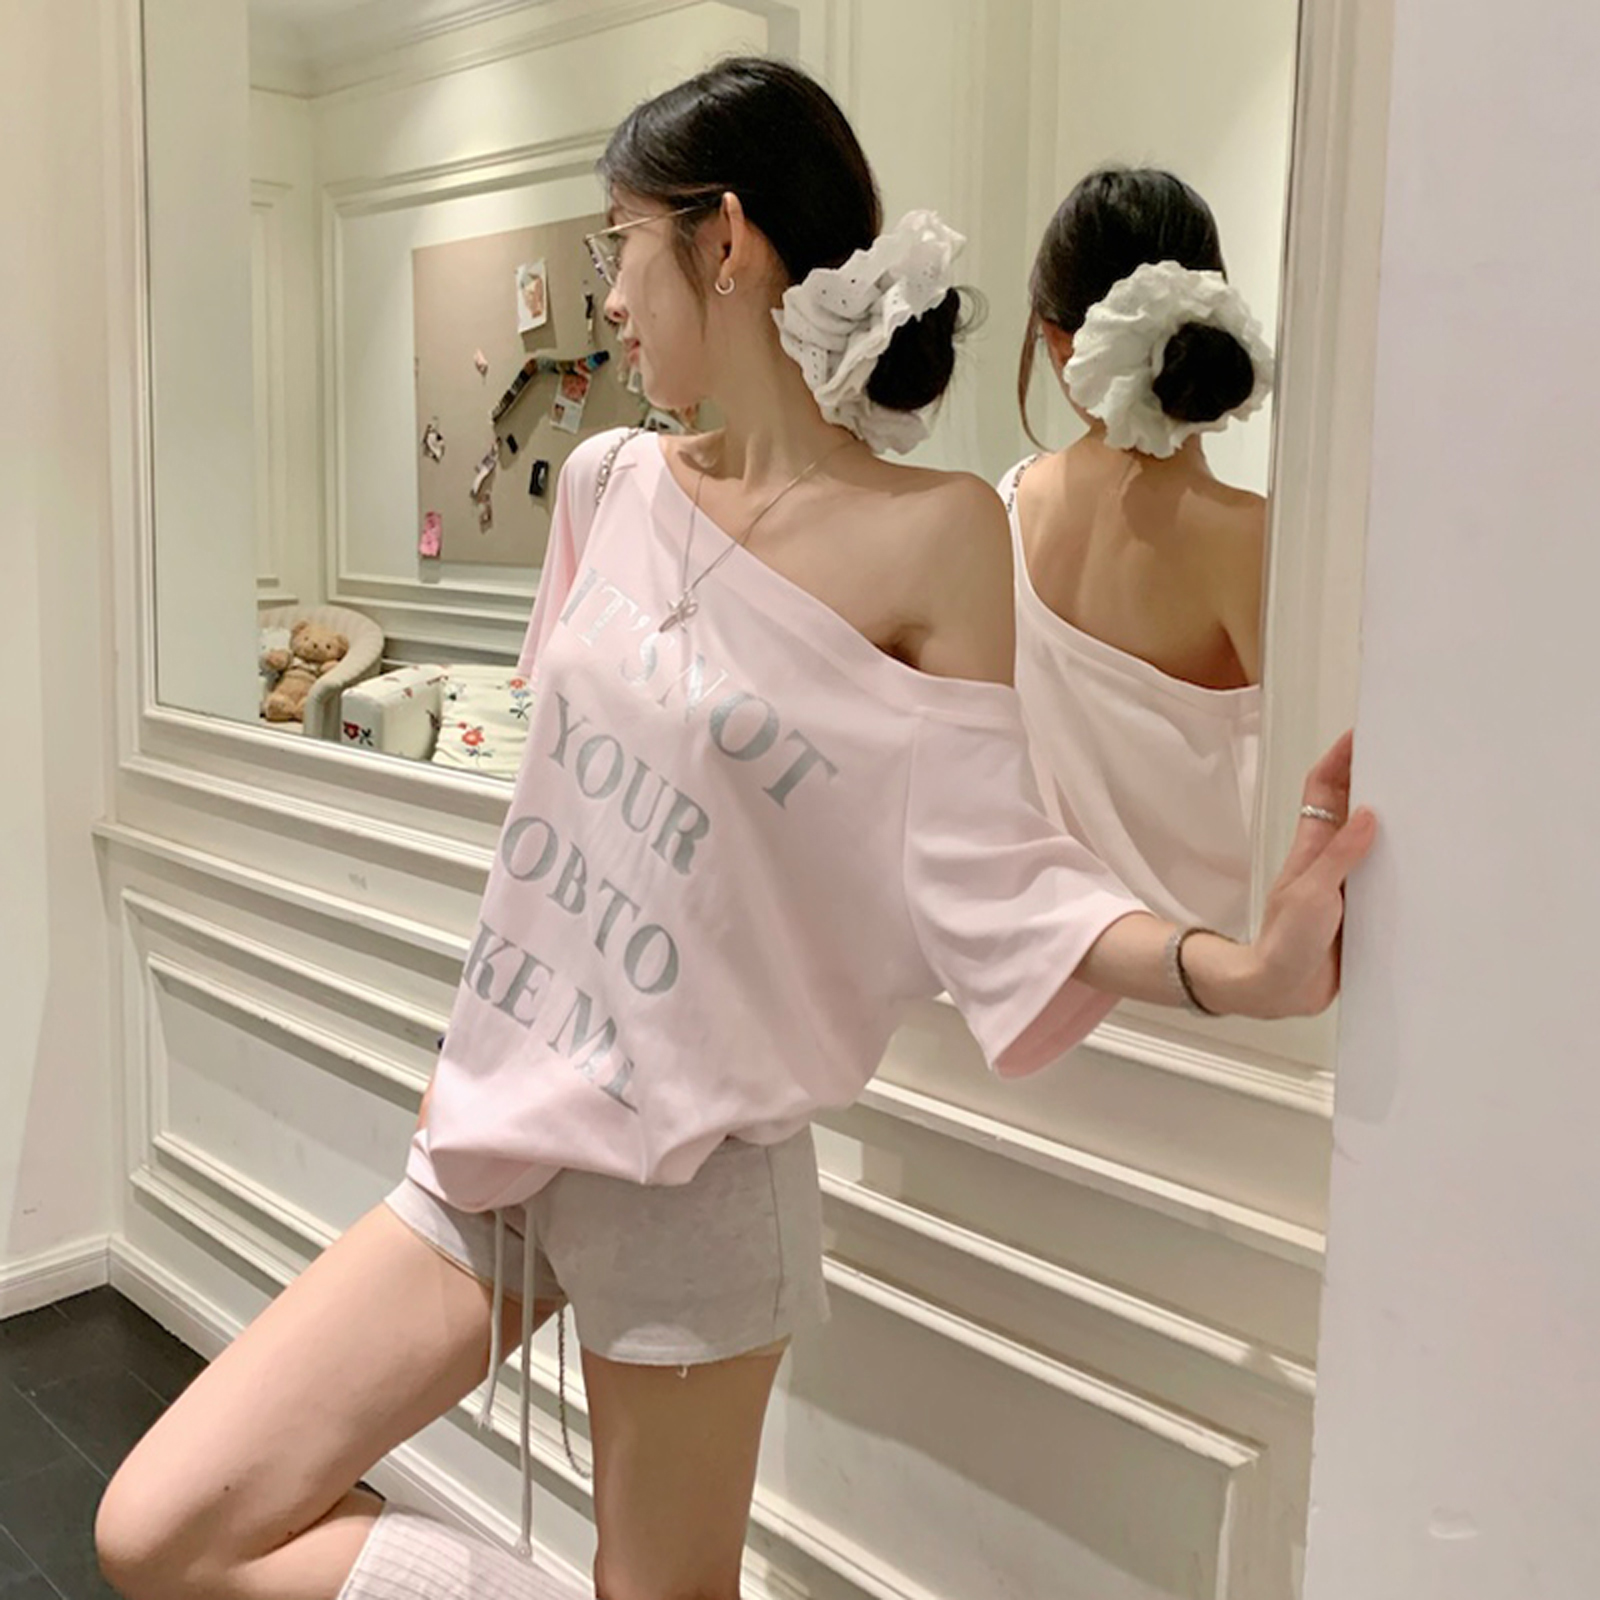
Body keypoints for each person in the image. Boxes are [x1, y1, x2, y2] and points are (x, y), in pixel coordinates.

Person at [95, 61, 1374, 1600]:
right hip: (499, 1122)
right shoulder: (604, 482)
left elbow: (998, 871)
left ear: (726, 240)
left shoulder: (939, 532)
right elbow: (561, 795)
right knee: (162, 1526)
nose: (607, 297)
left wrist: (1238, 971)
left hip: (698, 1172)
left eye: (620, 243)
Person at [1005, 166, 1275, 937]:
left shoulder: (1006, 509)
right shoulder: (1249, 540)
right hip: (1222, 982)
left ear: (1055, 341)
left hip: (1059, 962)